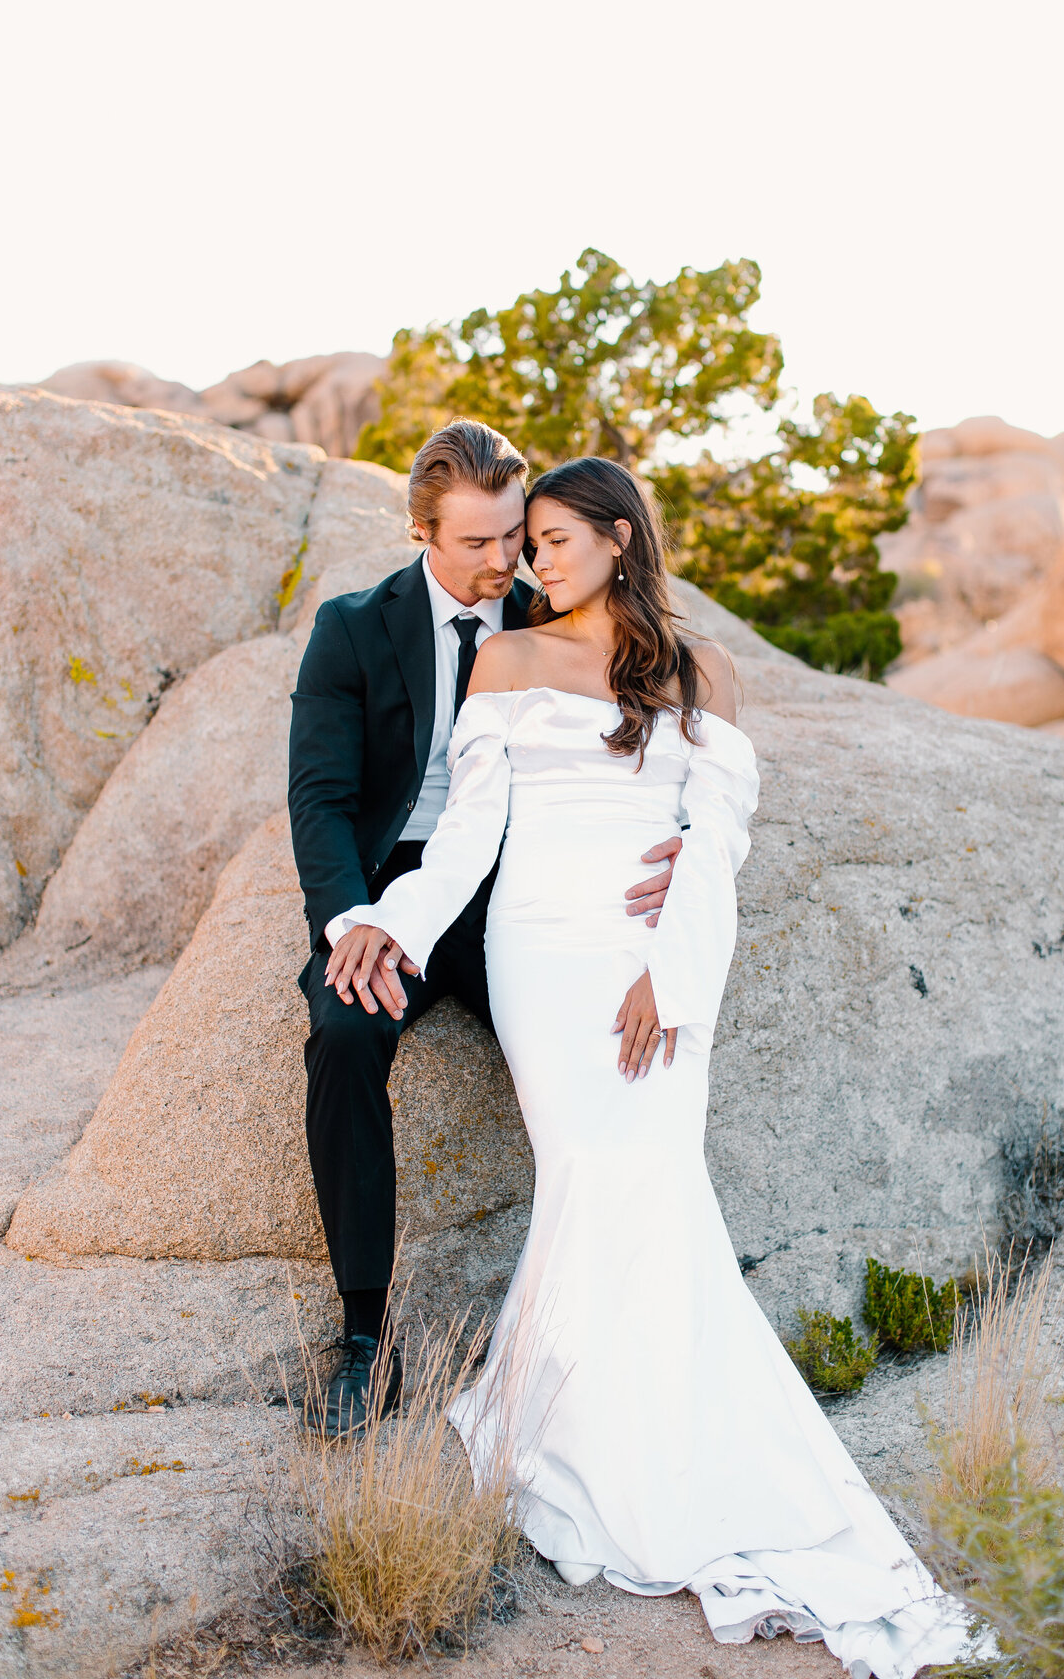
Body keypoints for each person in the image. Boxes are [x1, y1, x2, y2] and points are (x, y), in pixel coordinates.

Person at [324, 456, 978, 1677]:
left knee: (657, 1180)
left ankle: (655, 1445)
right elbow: (469, 832)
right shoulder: (507, 661)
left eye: (558, 541)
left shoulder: (705, 674)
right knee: (593, 1172)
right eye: (529, 547)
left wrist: (667, 963)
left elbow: (717, 835)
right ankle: (586, 1440)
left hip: (653, 955)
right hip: (542, 950)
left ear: (623, 538)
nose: (534, 565)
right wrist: (389, 924)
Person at [287, 421, 681, 1438]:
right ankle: (364, 1338)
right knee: (344, 1031)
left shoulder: (558, 612)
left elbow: (649, 734)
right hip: (400, 884)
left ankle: (624, 1313)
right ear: (422, 531)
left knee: (610, 1054)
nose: (508, 562)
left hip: (524, 889)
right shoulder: (351, 629)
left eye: (516, 537)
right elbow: (322, 799)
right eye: (479, 544)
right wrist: (352, 924)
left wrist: (677, 840)